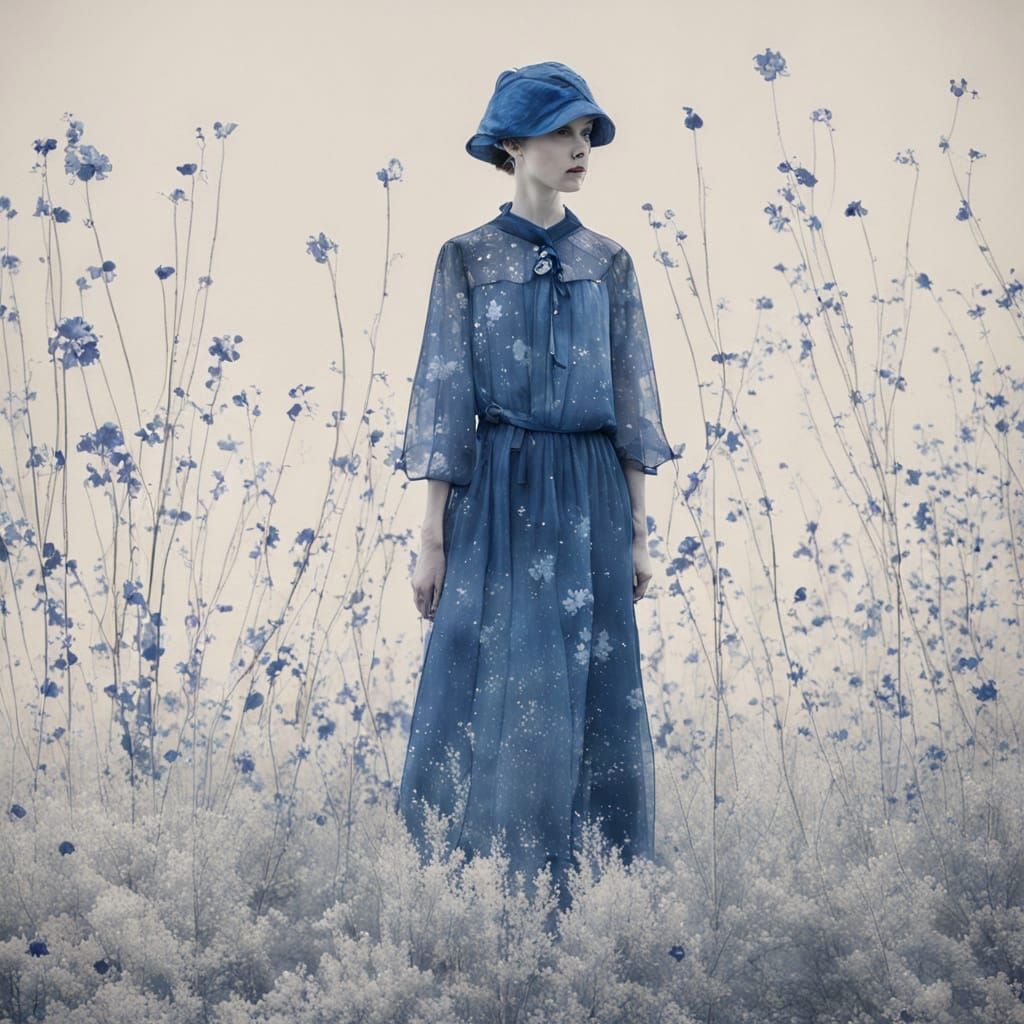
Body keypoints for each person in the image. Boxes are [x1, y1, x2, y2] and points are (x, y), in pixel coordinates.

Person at [394, 61, 680, 917]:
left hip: (592, 491)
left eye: (587, 132)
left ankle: (590, 900)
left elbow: (632, 398)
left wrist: (637, 529)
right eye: (561, 130)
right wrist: (431, 538)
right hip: (501, 490)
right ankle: (474, 896)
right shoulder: (467, 258)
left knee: (591, 691)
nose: (579, 146)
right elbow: (444, 398)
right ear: (512, 143)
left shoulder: (609, 261)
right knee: (493, 681)